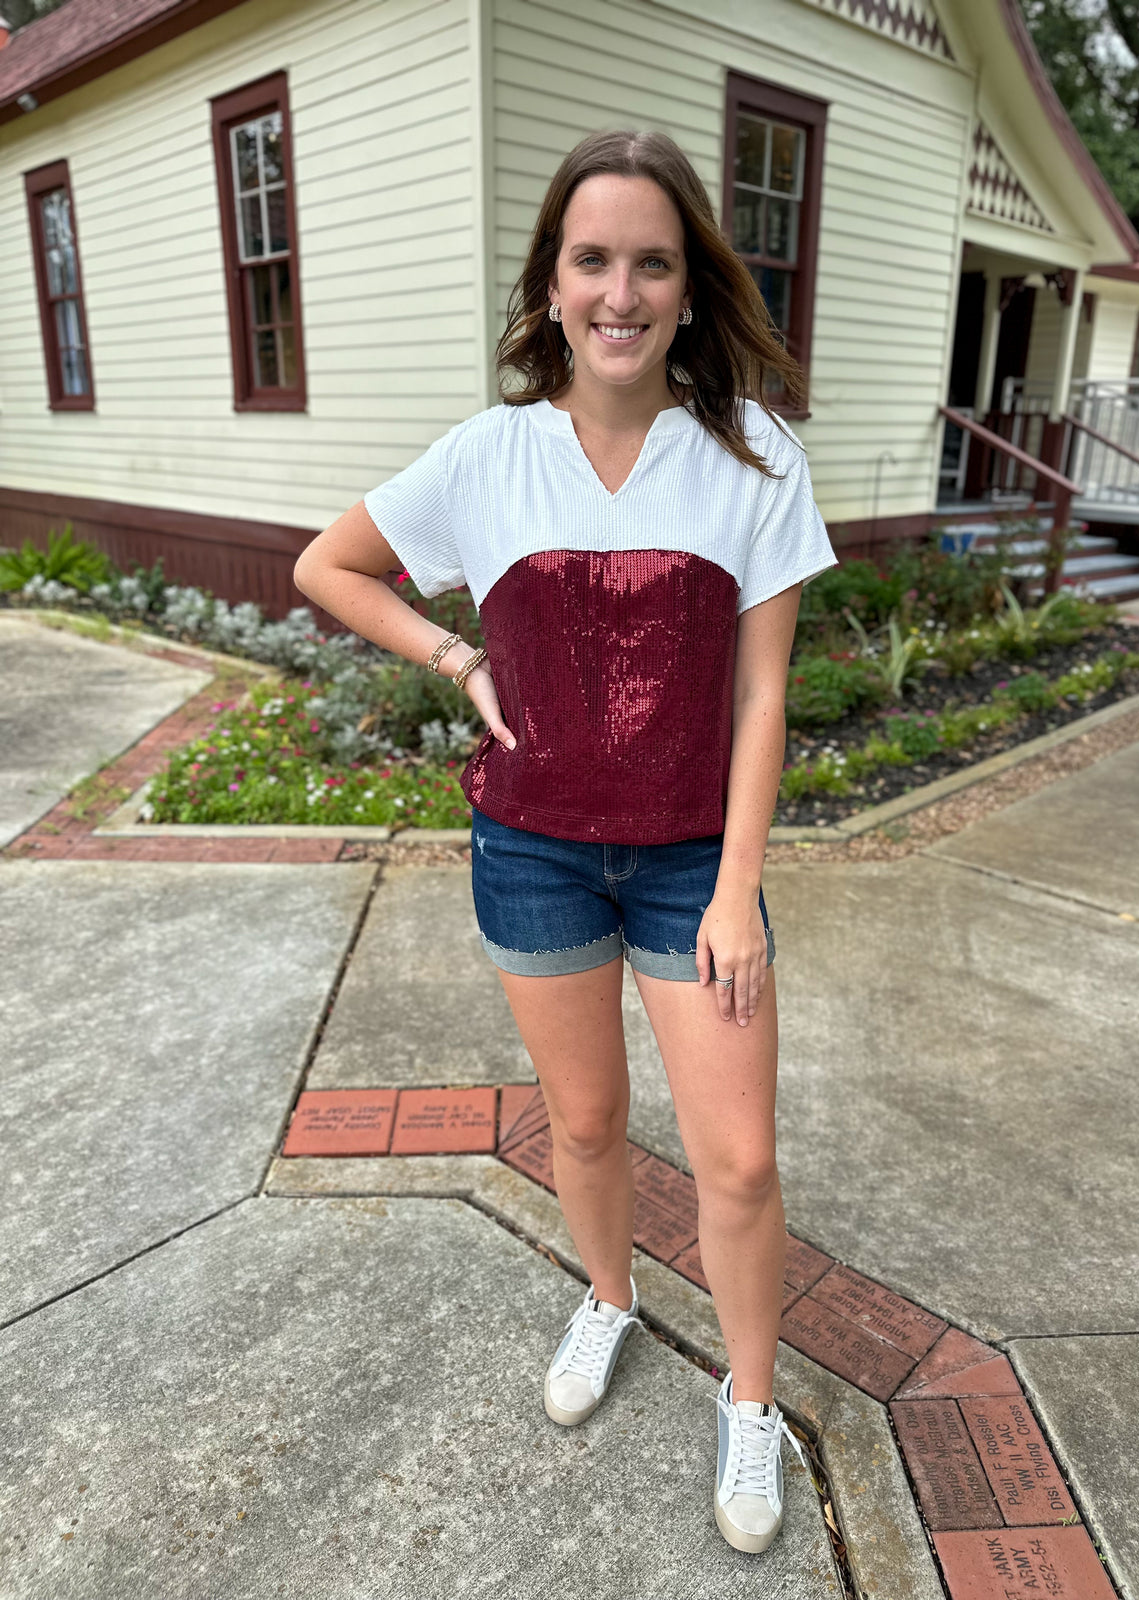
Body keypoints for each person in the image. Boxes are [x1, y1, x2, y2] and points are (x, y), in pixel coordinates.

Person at [293, 127, 838, 1555]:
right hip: (530, 852)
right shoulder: (489, 455)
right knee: (586, 1125)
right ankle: (608, 1298)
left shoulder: (752, 458)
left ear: (687, 288)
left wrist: (732, 895)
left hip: (686, 866)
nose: (620, 290)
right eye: (591, 259)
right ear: (549, 286)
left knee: (737, 1164)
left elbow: (766, 693)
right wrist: (452, 656)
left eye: (652, 262)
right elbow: (327, 565)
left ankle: (753, 1404)